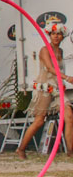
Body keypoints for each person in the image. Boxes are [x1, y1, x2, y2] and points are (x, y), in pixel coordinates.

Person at [16, 22, 73, 159]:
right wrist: (66, 77)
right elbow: (50, 68)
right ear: (49, 35)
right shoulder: (44, 50)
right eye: (53, 34)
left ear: (62, 36)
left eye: (59, 34)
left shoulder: (61, 51)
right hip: (45, 89)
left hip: (57, 89)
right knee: (39, 121)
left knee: (69, 116)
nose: (56, 36)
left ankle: (70, 152)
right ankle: (21, 149)